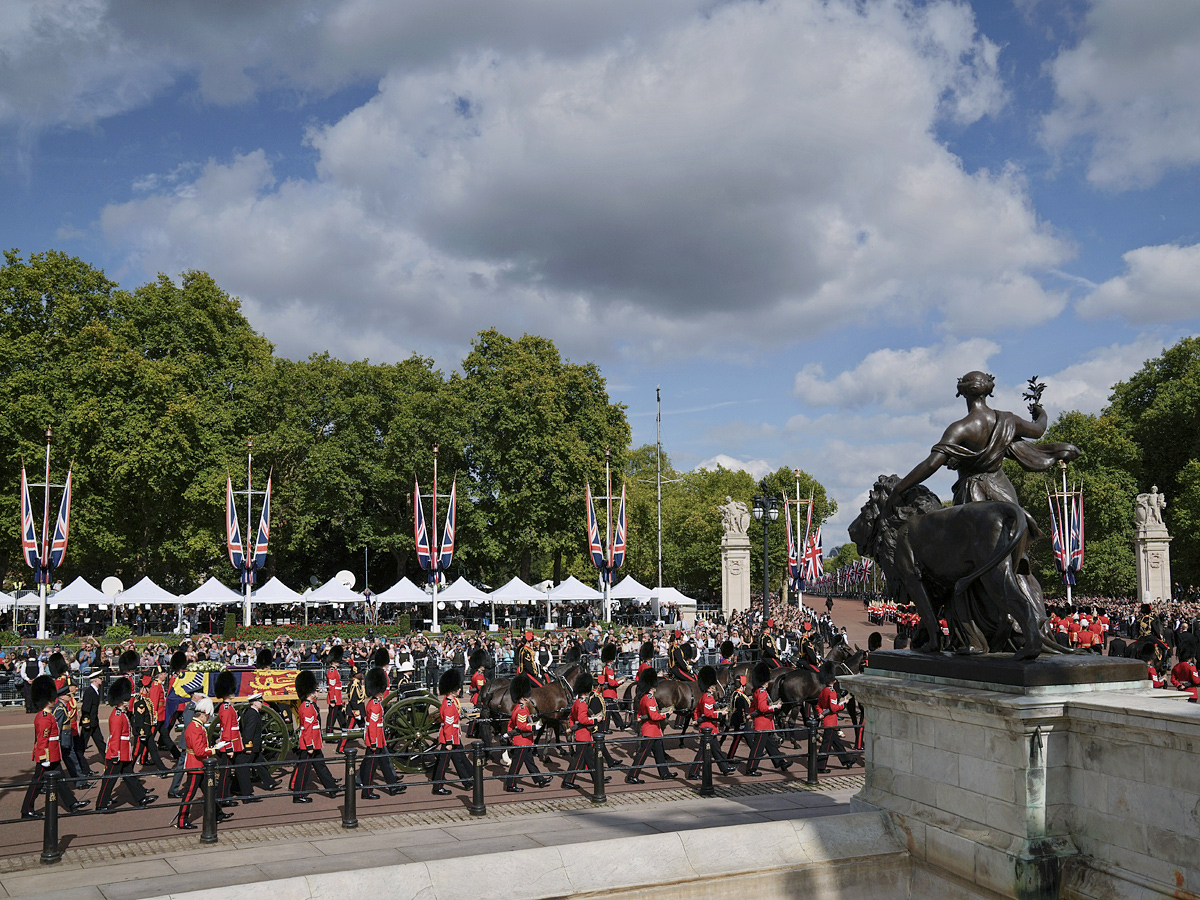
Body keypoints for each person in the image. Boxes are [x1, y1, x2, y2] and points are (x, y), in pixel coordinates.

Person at [21, 675, 88, 819]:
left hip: (53, 754)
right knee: (37, 783)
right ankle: (26, 809)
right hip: (46, 756)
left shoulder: (48, 715)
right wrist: (44, 757)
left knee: (61, 781)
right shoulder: (44, 717)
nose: (54, 700)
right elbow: (43, 740)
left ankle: (72, 804)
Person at [95, 678, 157, 811]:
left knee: (129, 776)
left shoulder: (121, 714)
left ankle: (141, 798)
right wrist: (115, 754)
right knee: (109, 780)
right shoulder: (117, 716)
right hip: (117, 752)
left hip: (123, 751)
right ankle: (101, 804)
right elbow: (116, 737)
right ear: (122, 702)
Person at [175, 697, 232, 830]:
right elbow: (200, 751)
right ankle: (182, 820)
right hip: (195, 765)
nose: (208, 718)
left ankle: (218, 814)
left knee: (209, 792)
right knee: (189, 794)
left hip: (200, 765)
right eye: (207, 716)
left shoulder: (197, 726)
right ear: (203, 715)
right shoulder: (195, 728)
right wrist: (215, 749)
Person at [290, 669, 340, 802]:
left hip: (314, 741)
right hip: (309, 743)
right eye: (316, 691)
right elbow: (307, 729)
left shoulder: (310, 705)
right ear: (310, 693)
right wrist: (310, 745)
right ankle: (298, 795)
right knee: (304, 770)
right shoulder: (306, 707)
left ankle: (332, 788)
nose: (317, 693)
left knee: (320, 765)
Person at [360, 667, 405, 798]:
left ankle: (392, 787)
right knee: (371, 767)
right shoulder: (374, 705)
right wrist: (374, 742)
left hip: (379, 739)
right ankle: (366, 791)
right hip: (375, 739)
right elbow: (373, 726)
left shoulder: (374, 702)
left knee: (384, 762)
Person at [626, 669, 675, 783]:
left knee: (659, 754)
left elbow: (640, 713)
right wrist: (666, 714)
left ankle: (665, 773)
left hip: (654, 731)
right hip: (650, 731)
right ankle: (632, 776)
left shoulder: (644, 698)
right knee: (642, 754)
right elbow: (654, 716)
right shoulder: (649, 699)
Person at [504, 674, 550, 792]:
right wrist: (535, 727)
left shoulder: (517, 708)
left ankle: (539, 780)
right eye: (527, 697)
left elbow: (511, 724)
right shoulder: (522, 709)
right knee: (516, 764)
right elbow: (521, 726)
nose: (529, 699)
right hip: (522, 741)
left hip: (525, 740)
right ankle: (511, 784)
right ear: (523, 698)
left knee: (530, 762)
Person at [214, 671, 255, 803]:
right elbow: (226, 730)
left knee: (241, 768)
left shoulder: (228, 707)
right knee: (225, 773)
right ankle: (223, 798)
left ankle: (246, 794)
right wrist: (229, 748)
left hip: (235, 744)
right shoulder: (226, 708)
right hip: (230, 746)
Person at [688, 666, 736, 777]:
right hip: (708, 727)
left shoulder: (705, 696)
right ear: (710, 687)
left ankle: (725, 768)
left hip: (709, 727)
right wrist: (721, 713)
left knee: (716, 749)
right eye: (714, 685)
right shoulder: (708, 698)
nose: (715, 687)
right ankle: (693, 772)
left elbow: (697, 710)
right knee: (702, 752)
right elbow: (708, 713)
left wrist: (696, 719)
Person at [744, 662, 790, 776]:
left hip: (765, 723)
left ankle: (780, 762)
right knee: (757, 748)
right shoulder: (762, 692)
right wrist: (775, 706)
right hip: (762, 723)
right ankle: (750, 769)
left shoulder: (757, 691)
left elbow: (755, 706)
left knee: (771, 745)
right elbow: (762, 708)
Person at [562, 672, 606, 790]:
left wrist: (571, 728)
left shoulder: (577, 702)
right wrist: (595, 719)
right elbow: (582, 719)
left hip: (582, 734)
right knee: (577, 760)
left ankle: (598, 778)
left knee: (591, 760)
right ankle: (568, 781)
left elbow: (572, 718)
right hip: (583, 735)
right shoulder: (582, 704)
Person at [432, 668, 473, 795]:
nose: (459, 689)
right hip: (449, 738)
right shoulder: (449, 705)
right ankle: (437, 787)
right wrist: (449, 742)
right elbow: (449, 725)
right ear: (452, 689)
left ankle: (467, 782)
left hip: (453, 736)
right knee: (443, 764)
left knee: (458, 759)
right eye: (457, 688)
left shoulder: (448, 702)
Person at [816, 666, 862, 771]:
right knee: (826, 745)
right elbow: (833, 708)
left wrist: (821, 713)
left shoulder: (824, 690)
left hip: (827, 720)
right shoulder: (831, 692)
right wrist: (843, 704)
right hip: (830, 722)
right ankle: (820, 766)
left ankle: (847, 761)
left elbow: (818, 705)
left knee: (837, 743)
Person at [240, 692, 280, 791]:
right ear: (254, 703)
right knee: (242, 768)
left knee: (261, 764)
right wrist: (248, 746)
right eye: (260, 702)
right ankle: (236, 786)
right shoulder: (252, 714)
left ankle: (269, 783)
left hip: (255, 745)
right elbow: (249, 732)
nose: (261, 703)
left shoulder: (253, 713)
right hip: (252, 745)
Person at [598, 643, 626, 732]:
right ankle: (604, 728)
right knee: (608, 712)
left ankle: (621, 725)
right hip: (609, 693)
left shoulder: (605, 668)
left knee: (614, 711)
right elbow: (612, 683)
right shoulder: (609, 670)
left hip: (607, 693)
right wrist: (621, 681)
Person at [79, 670, 107, 757]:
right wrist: (86, 722)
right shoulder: (89, 692)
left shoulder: (95, 691)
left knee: (100, 742)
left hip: (94, 721)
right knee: (82, 744)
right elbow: (85, 708)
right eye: (100, 679)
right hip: (89, 722)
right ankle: (78, 763)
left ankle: (108, 759)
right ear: (95, 680)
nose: (101, 680)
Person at [325, 645, 347, 731]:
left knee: (339, 714)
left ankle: (344, 729)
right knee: (332, 716)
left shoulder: (335, 670)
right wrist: (332, 700)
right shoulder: (332, 671)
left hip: (337, 697)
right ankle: (329, 731)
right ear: (334, 661)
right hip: (334, 697)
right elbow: (331, 687)